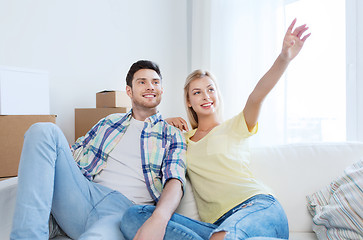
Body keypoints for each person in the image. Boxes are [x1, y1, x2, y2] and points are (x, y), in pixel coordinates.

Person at [121, 19, 310, 240]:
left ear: (218, 94)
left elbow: (257, 96)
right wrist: (162, 120)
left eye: (210, 89)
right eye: (197, 92)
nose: (206, 96)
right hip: (217, 226)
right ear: (189, 101)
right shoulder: (182, 139)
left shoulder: (236, 126)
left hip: (258, 208)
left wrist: (283, 58)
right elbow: (143, 134)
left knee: (224, 236)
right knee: (135, 216)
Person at [10, 60, 212, 240]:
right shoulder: (109, 122)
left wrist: (159, 217)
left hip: (124, 210)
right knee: (43, 130)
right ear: (129, 91)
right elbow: (71, 153)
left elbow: (175, 180)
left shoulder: (171, 134)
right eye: (142, 82)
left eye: (156, 82)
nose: (150, 86)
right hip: (84, 193)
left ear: (162, 90)